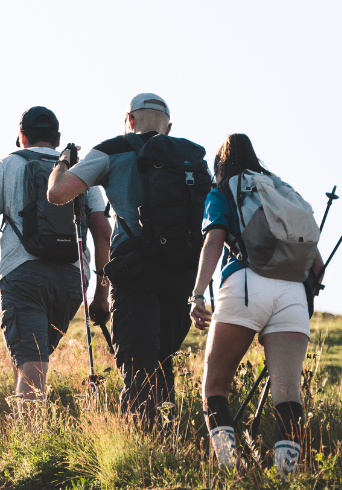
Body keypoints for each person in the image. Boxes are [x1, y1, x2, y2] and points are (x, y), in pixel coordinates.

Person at [48, 93, 211, 424]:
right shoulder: (191, 158)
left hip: (135, 271)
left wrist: (62, 162)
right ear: (168, 128)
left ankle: (138, 451)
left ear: (130, 119)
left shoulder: (113, 149)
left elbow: (58, 193)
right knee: (164, 362)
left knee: (137, 365)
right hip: (183, 273)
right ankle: (165, 445)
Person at [187, 134, 322, 474]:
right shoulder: (281, 191)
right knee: (288, 391)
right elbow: (316, 264)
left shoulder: (222, 192)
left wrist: (198, 294)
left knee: (215, 385)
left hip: (245, 285)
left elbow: (214, 241)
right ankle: (286, 475)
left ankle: (231, 469)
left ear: (221, 165)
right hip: (293, 295)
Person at [0, 106, 112, 408]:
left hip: (24, 276)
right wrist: (102, 294)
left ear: (21, 136)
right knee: (33, 361)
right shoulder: (80, 172)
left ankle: (29, 447)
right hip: (72, 282)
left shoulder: (8, 165)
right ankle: (27, 433)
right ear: (57, 138)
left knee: (31, 368)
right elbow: (103, 234)